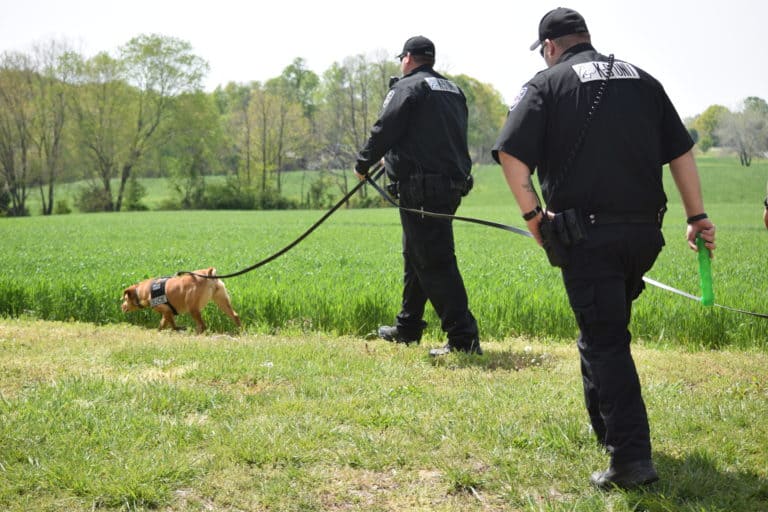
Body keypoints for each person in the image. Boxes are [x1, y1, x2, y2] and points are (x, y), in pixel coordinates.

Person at [492, 8, 716, 489]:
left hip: (587, 236)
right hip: (643, 237)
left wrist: (534, 218)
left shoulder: (546, 84)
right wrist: (696, 217)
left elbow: (510, 153)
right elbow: (681, 151)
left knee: (606, 340)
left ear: (550, 46)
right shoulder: (643, 79)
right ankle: (606, 431)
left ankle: (631, 460)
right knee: (601, 327)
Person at [354, 35, 481, 356]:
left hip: (421, 187)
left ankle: (463, 339)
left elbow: (386, 127)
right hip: (449, 184)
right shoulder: (452, 89)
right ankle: (408, 327)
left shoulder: (407, 87)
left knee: (434, 261)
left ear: (408, 58)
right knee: (416, 255)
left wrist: (364, 162)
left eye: (402, 58)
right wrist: (394, 159)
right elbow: (433, 136)